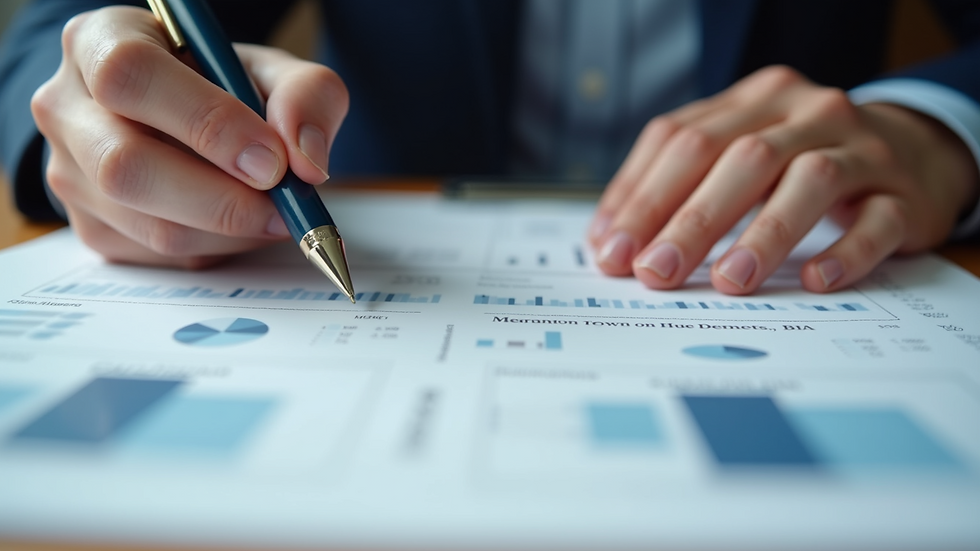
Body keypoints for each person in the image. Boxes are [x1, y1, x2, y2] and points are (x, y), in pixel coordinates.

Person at [1, 0, 978, 295]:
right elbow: (61, 22)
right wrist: (108, 96)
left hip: (808, 225)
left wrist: (935, 124)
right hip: (346, 221)